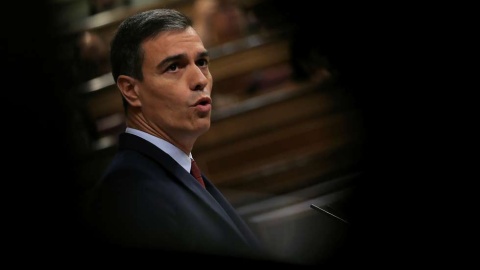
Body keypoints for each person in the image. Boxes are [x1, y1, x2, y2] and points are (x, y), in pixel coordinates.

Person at [83, 8, 264, 261]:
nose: (200, 79)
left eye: (202, 62)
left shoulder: (171, 168)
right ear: (131, 90)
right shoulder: (130, 196)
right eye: (174, 67)